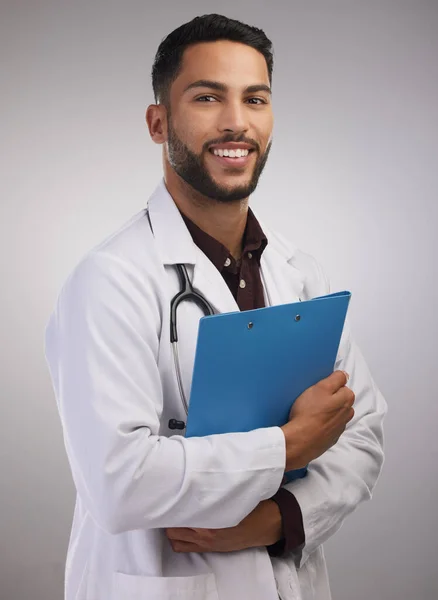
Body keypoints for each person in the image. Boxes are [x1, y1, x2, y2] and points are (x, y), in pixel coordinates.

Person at [44, 13, 387, 600]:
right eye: (207, 97)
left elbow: (362, 433)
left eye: (255, 99)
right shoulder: (110, 279)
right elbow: (117, 481)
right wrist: (289, 446)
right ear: (159, 122)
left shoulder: (298, 272)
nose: (237, 123)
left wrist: (280, 520)